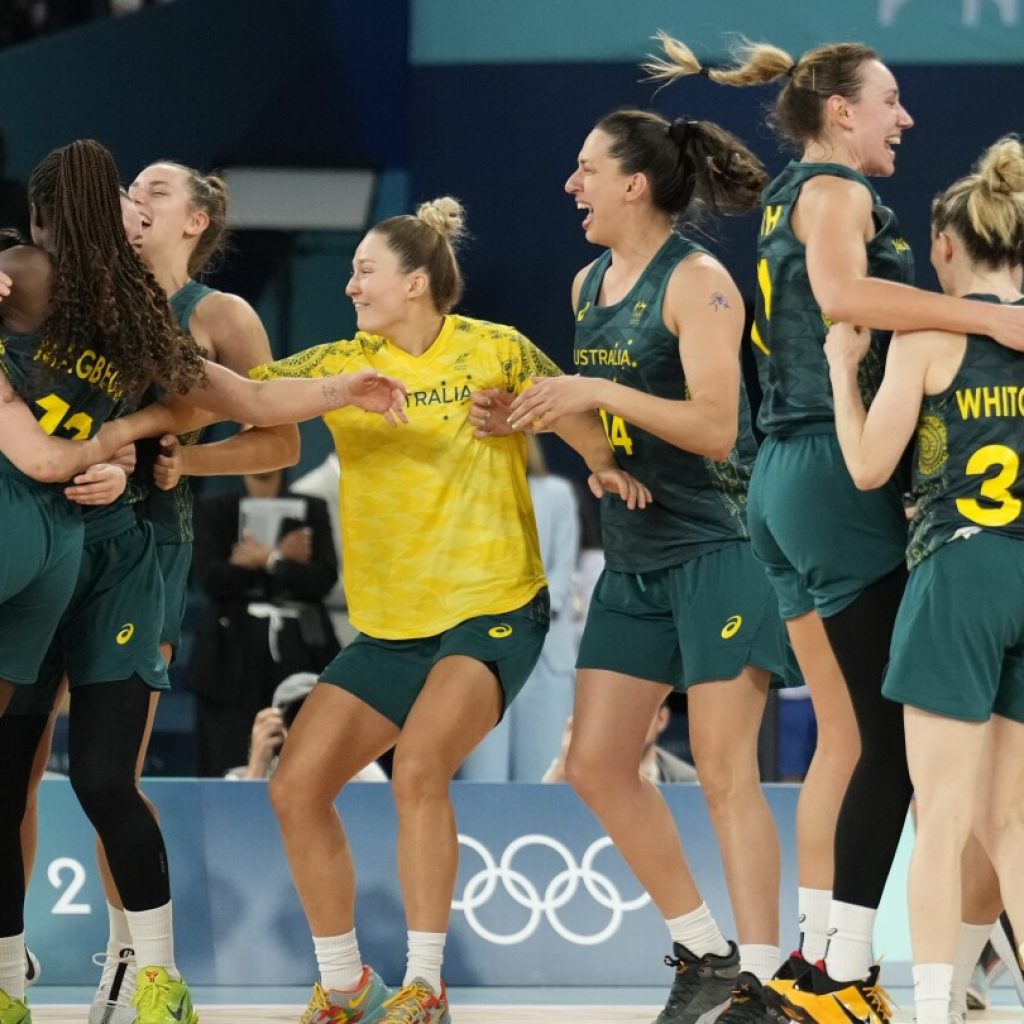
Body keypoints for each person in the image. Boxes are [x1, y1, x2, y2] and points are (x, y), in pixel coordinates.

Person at [641, 34, 1024, 1024]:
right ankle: (846, 972)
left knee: (847, 738)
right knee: (902, 741)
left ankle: (812, 959)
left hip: (780, 476)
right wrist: (982, 318)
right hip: (831, 474)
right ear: (840, 111)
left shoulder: (792, 192)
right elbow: (845, 297)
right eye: (890, 100)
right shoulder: (837, 194)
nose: (904, 118)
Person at [254, 196, 649, 1024]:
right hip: (392, 626)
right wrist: (174, 445)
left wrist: (599, 460)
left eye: (367, 269)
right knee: (295, 786)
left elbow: (576, 409)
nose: (352, 283)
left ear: (419, 282)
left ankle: (425, 984)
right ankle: (344, 985)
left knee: (423, 765)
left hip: (494, 607)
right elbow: (248, 401)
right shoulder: (343, 364)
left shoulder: (493, 349)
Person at [505, 107, 790, 1024]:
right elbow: (599, 419)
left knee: (721, 768)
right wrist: (560, 427)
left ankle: (764, 975)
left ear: (635, 184)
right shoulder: (592, 280)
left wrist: (595, 388)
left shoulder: (700, 281)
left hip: (720, 544)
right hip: (636, 552)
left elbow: (715, 426)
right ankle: (703, 947)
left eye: (586, 169)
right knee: (593, 762)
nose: (570, 184)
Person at [0, 138, 205, 1024]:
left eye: (149, 192)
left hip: (118, 557)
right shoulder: (24, 275)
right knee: (7, 787)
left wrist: (132, 451)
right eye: (122, 192)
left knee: (103, 780)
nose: (133, 203)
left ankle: (152, 974)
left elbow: (215, 408)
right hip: (36, 562)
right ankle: (9, 980)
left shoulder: (157, 307)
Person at [822, 135, 1024, 1024]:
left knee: (941, 818)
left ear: (946, 247)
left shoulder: (930, 333)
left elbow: (868, 467)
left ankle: (938, 1009)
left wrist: (839, 372)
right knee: (1013, 825)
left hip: (960, 577)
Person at [190, 468, 339, 777]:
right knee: (226, 755)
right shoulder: (214, 509)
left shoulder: (312, 508)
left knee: (310, 761)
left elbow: (322, 579)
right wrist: (280, 559)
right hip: (230, 655)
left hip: (300, 647)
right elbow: (209, 578)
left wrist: (266, 559)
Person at [458, 434, 581, 780]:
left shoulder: (556, 494)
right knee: (484, 775)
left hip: (545, 648)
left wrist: (527, 613)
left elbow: (561, 571)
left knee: (543, 772)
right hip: (484, 647)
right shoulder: (467, 496)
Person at [224, 672, 387, 782]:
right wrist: (258, 765)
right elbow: (236, 828)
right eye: (297, 716)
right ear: (278, 727)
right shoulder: (238, 779)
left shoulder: (364, 771)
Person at [542, 701, 698, 784]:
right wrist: (568, 759)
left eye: (640, 709)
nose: (628, 720)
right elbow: (537, 817)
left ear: (662, 718)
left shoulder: (688, 783)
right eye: (620, 708)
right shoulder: (580, 770)